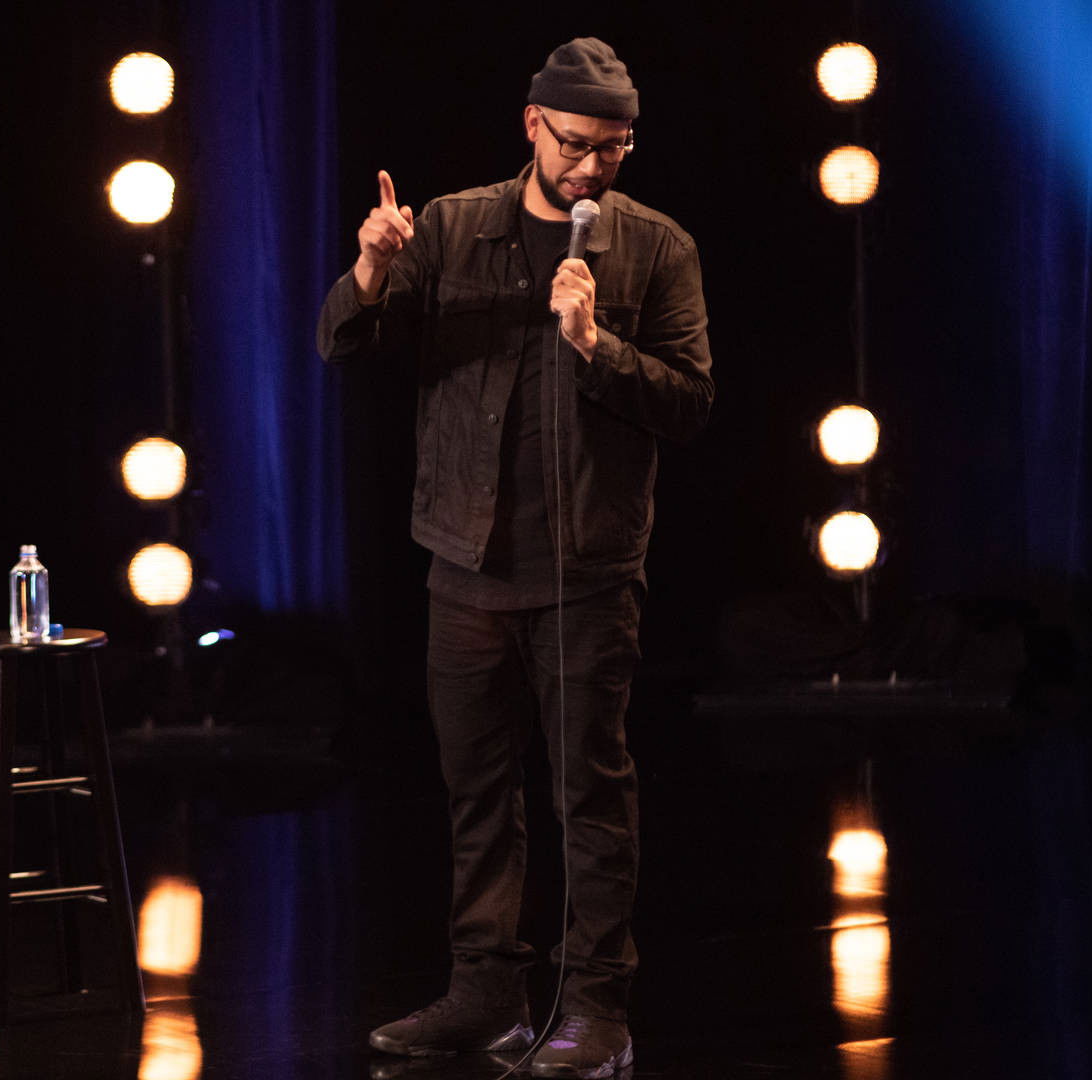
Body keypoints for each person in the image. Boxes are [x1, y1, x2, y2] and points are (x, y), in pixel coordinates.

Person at [316, 36, 713, 1079]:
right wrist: (373, 267)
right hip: (467, 562)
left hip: (586, 569)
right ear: (532, 124)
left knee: (589, 795)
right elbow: (346, 343)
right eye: (575, 144)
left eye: (613, 149)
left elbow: (691, 401)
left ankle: (597, 1011)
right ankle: (487, 993)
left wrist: (597, 345)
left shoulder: (656, 247)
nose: (591, 167)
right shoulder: (454, 227)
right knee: (477, 791)